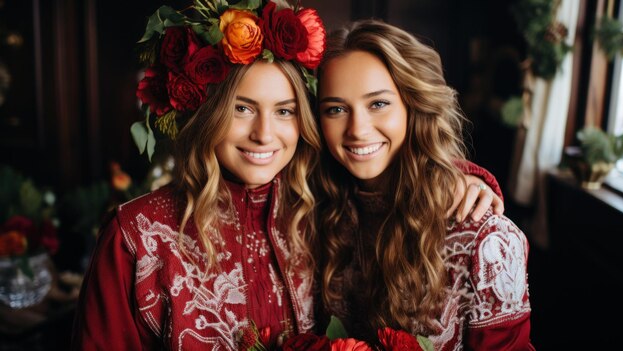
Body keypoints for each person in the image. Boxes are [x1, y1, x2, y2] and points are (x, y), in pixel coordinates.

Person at [71, 2, 503, 349]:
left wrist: (459, 176)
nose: (264, 135)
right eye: (242, 108)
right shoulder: (136, 236)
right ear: (208, 113)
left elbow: (385, 170)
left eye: (284, 111)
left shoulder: (319, 198)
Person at [314, 19, 535, 350]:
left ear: (412, 105)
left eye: (378, 104)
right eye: (336, 109)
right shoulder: (319, 209)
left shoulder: (486, 240)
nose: (357, 129)